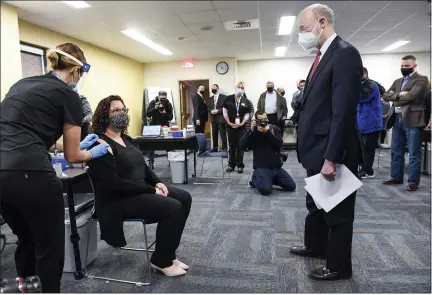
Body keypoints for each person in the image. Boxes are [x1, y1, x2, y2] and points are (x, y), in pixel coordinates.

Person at [0, 42, 109, 293]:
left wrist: (66, 146)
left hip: (3, 175)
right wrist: (91, 151)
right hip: (32, 176)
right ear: (76, 72)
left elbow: (29, 135)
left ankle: (25, 290)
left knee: (25, 240)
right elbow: (74, 156)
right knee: (49, 249)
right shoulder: (69, 95)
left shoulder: (21, 85)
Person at [290, 4, 363, 280]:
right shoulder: (322, 56)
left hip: (331, 152)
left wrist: (332, 157)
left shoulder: (345, 54)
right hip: (314, 150)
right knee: (316, 205)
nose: (302, 35)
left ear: (322, 22)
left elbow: (342, 111)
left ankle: (338, 266)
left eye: (304, 28)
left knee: (337, 213)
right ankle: (316, 245)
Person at [88, 95, 192, 277]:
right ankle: (161, 261)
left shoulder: (126, 138)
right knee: (173, 207)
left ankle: (168, 252)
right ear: (105, 115)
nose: (121, 113)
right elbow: (114, 184)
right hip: (118, 200)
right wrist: (152, 190)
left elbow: (143, 167)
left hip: (138, 191)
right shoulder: (99, 143)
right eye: (115, 110)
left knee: (184, 197)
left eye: (123, 109)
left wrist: (157, 182)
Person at [382, 55, 428, 191]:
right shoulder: (398, 81)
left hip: (412, 119)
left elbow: (413, 95)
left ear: (414, 66)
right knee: (396, 151)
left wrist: (397, 96)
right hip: (397, 119)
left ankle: (413, 181)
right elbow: (385, 95)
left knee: (414, 153)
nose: (403, 68)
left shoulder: (421, 79)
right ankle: (396, 177)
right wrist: (401, 94)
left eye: (407, 66)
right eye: (402, 66)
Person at [240, 110, 296, 195]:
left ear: (267, 119)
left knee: (291, 186)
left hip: (276, 168)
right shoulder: (254, 132)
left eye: (265, 119)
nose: (263, 121)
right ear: (256, 121)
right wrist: (251, 130)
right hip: (262, 167)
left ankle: (268, 180)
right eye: (260, 120)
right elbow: (242, 145)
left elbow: (279, 144)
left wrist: (267, 132)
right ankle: (254, 178)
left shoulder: (274, 129)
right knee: (265, 190)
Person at [357, 67, 382, 179]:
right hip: (361, 122)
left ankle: (368, 170)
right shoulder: (360, 85)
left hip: (371, 122)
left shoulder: (371, 85)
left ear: (365, 74)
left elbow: (363, 97)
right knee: (362, 148)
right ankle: (363, 168)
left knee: (368, 148)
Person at [222, 82, 251, 173]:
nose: (240, 88)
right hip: (230, 126)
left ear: (244, 90)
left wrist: (242, 123)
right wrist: (229, 123)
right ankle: (231, 165)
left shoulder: (246, 101)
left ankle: (240, 165)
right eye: (239, 87)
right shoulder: (228, 99)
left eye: (242, 87)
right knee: (231, 146)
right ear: (235, 87)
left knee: (240, 146)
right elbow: (225, 112)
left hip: (241, 127)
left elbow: (247, 114)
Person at [207, 84, 227, 152]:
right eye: (212, 88)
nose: (213, 89)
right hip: (213, 119)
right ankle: (215, 148)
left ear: (218, 88)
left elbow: (225, 108)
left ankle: (225, 148)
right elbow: (208, 108)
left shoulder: (224, 97)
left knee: (223, 134)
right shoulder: (210, 98)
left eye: (214, 88)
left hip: (221, 119)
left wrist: (218, 111)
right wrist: (211, 111)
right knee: (214, 134)